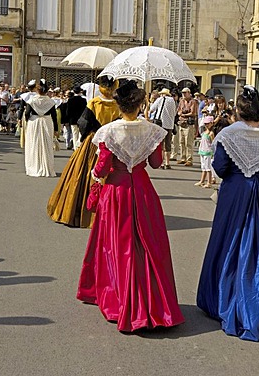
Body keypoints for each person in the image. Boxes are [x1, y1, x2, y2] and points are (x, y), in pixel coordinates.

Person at [77, 80, 184, 332]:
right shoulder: (152, 130)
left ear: (119, 104)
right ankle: (152, 300)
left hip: (117, 190)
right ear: (140, 103)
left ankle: (120, 297)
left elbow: (102, 168)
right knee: (147, 244)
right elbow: (156, 163)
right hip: (142, 189)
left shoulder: (109, 131)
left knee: (119, 245)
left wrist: (95, 174)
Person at [196, 85, 259, 342]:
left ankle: (224, 297)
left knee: (229, 242)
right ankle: (255, 302)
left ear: (239, 110)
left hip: (235, 192)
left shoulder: (228, 134)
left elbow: (221, 167)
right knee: (258, 245)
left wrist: (239, 174)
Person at [47, 76, 120, 228]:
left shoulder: (94, 103)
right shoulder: (117, 105)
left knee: (84, 173)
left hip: (93, 141)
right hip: (110, 142)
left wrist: (84, 138)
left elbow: (83, 123)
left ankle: (81, 208)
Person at [24, 79, 58, 177]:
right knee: (47, 144)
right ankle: (47, 165)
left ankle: (34, 166)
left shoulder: (32, 100)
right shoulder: (50, 101)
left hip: (34, 122)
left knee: (34, 143)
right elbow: (54, 116)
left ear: (37, 90)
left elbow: (27, 113)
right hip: (47, 121)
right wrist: (56, 129)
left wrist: (27, 120)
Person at [149, 87, 176, 169]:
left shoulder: (160, 99)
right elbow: (174, 113)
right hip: (170, 124)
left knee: (161, 144)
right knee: (168, 144)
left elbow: (152, 109)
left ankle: (162, 163)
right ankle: (167, 162)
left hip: (161, 123)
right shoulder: (172, 101)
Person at [177, 87, 198, 166]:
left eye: (185, 92)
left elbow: (193, 112)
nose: (183, 94)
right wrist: (182, 113)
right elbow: (178, 111)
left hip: (189, 123)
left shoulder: (193, 102)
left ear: (189, 93)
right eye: (182, 92)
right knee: (181, 141)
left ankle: (189, 159)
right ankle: (183, 158)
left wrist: (183, 114)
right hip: (181, 123)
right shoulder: (181, 101)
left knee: (188, 142)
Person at [194, 115, 214, 188]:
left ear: (211, 123)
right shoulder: (204, 132)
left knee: (208, 168)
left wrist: (213, 152)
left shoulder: (211, 133)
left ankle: (209, 182)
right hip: (202, 151)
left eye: (208, 123)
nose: (206, 125)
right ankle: (202, 181)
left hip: (208, 152)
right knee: (203, 167)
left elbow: (213, 144)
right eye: (205, 124)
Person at [66, 85, 87, 150]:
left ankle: (75, 148)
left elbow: (68, 111)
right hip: (81, 119)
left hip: (73, 120)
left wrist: (67, 119)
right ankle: (79, 147)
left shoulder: (70, 100)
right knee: (80, 134)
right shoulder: (83, 100)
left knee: (75, 134)